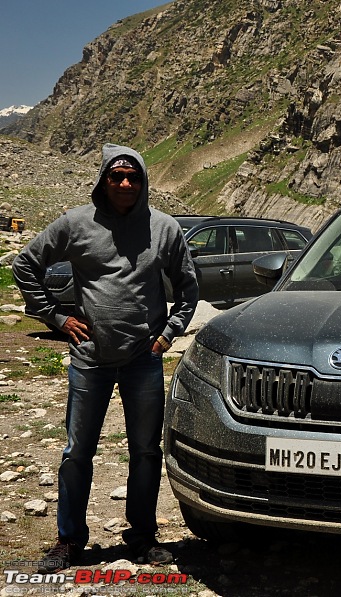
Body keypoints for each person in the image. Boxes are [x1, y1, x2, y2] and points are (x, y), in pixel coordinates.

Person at [12, 144, 199, 573]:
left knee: (146, 452)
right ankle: (69, 541)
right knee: (77, 452)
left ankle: (141, 537)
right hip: (90, 359)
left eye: (133, 176)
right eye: (116, 176)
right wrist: (57, 317)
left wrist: (167, 335)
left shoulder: (165, 228)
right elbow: (26, 265)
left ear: (144, 180)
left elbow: (189, 290)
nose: (125, 184)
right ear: (103, 180)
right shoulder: (76, 223)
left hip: (144, 359)